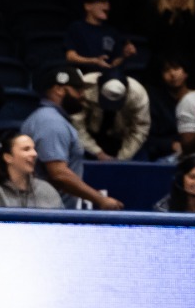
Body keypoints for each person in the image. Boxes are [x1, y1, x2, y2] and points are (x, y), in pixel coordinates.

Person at [23, 66, 122, 210]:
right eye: (78, 90)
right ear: (59, 89)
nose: (83, 95)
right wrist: (100, 199)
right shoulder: (51, 121)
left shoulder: (51, 118)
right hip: (47, 214)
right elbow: (58, 173)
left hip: (51, 211)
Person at [75, 72, 150, 162]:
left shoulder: (138, 95)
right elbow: (76, 123)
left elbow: (140, 129)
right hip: (89, 135)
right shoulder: (84, 87)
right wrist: (97, 152)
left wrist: (122, 159)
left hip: (122, 138)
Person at [0, 133, 64, 209]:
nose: (34, 154)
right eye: (26, 149)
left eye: (34, 149)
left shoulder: (47, 190)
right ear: (8, 157)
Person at [64, 0, 135, 72]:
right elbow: (70, 57)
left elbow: (114, 62)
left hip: (108, 76)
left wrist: (124, 55)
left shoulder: (112, 31)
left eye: (107, 2)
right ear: (88, 6)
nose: (106, 5)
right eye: (101, 2)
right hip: (84, 75)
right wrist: (94, 61)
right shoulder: (77, 27)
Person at [144, 58, 192, 160]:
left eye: (176, 68)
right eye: (166, 70)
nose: (172, 74)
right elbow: (148, 136)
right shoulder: (156, 102)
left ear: (186, 73)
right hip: (167, 155)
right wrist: (171, 145)